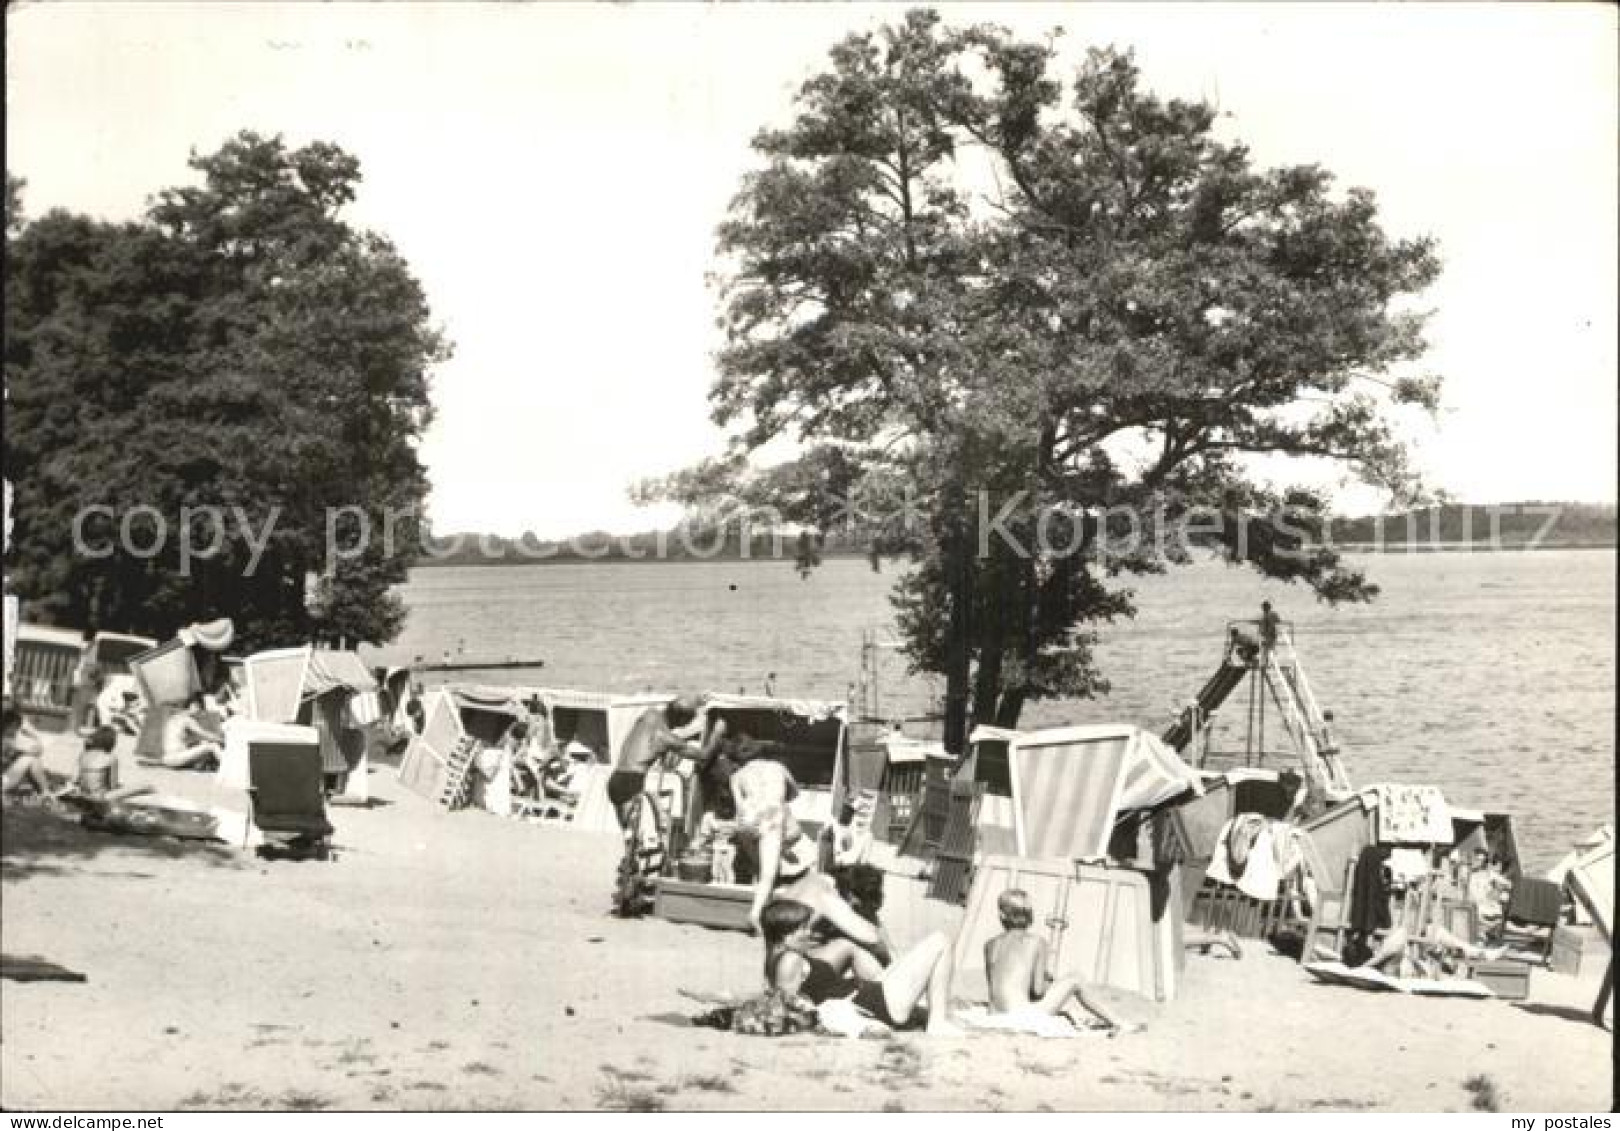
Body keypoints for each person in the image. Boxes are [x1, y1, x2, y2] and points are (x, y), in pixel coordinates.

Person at [761, 899, 962, 1036]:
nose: (809, 932)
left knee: (919, 955)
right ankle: (937, 1024)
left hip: (870, 998)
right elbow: (791, 1007)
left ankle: (933, 1012)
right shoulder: (789, 960)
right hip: (875, 1005)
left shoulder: (784, 957)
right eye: (802, 928)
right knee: (941, 940)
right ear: (784, 934)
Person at [985, 890, 1127, 1032]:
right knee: (1076, 978)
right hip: (1021, 1017)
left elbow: (994, 986)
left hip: (994, 1016)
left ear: (1001, 915)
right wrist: (1049, 981)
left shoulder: (990, 945)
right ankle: (1118, 1022)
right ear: (1030, 916)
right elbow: (1038, 991)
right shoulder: (1037, 942)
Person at [607, 695, 704, 829]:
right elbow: (702, 755)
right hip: (632, 781)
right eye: (688, 722)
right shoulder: (666, 737)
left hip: (616, 778)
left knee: (628, 834)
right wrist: (717, 734)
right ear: (682, 719)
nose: (687, 725)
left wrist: (697, 701)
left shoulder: (649, 714)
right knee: (637, 837)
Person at [2, 706, 58, 798]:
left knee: (31, 758)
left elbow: (36, 749)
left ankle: (45, 790)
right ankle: (45, 791)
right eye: (15, 727)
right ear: (7, 725)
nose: (16, 731)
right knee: (30, 758)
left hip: (7, 778)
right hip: (5, 780)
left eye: (17, 728)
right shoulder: (7, 740)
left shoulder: (11, 739)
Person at [160, 694, 223, 770]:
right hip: (176, 757)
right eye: (199, 708)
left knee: (203, 743)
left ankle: (199, 765)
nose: (199, 712)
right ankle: (229, 766)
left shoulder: (174, 718)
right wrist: (222, 740)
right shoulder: (187, 719)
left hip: (167, 758)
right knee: (212, 746)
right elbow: (204, 734)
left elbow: (180, 740)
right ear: (193, 705)